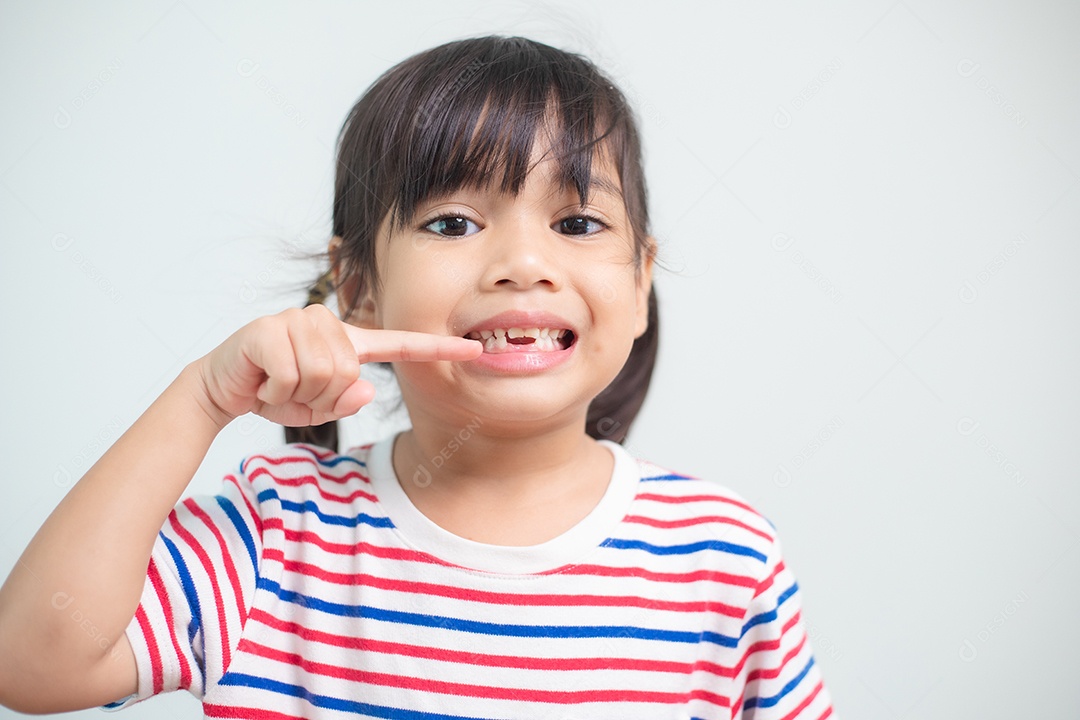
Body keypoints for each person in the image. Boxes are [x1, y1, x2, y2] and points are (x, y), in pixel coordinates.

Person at [0, 35, 835, 719]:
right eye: (454, 222)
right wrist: (200, 399)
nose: (524, 263)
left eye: (577, 221)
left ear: (641, 282)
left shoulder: (721, 556)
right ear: (358, 288)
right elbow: (32, 666)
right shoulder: (278, 533)